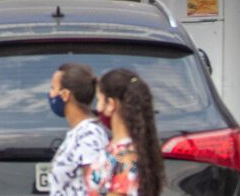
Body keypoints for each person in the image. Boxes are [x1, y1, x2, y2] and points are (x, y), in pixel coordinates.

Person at [86, 69, 166, 196]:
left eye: (99, 100)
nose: (98, 108)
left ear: (111, 104)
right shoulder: (123, 148)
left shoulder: (125, 158)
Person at [47, 63, 107, 196]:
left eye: (53, 88)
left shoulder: (89, 134)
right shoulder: (77, 132)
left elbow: (95, 188)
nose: (50, 94)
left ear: (65, 95)